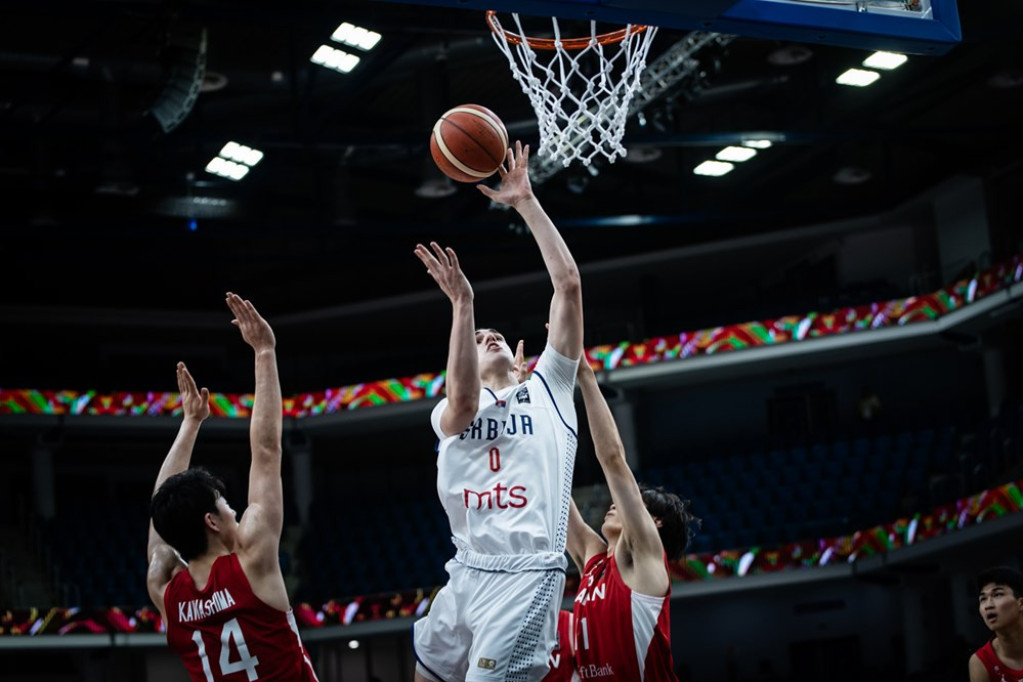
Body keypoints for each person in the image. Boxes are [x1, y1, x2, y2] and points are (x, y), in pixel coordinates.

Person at [411, 140, 584, 682]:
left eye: (495, 334)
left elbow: (569, 287)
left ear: (518, 357)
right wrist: (462, 307)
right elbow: (463, 400)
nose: (486, 335)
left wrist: (526, 202)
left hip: (525, 578)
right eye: (477, 336)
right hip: (464, 570)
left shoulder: (549, 388)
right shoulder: (448, 411)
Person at [147, 292, 319, 682]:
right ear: (211, 520)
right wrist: (264, 351)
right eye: (224, 503)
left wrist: (190, 423)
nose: (233, 509)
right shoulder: (252, 559)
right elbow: (267, 451)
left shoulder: (167, 592)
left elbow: (161, 521)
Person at [564, 358, 698, 682]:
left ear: (654, 523)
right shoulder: (593, 562)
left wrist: (584, 374)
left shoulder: (645, 558)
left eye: (635, 503)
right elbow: (552, 493)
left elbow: (612, 460)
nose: (615, 502)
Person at [969, 566, 1023, 682]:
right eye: (983, 599)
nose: (988, 605)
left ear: (1021, 603)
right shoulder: (981, 662)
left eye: (997, 595)